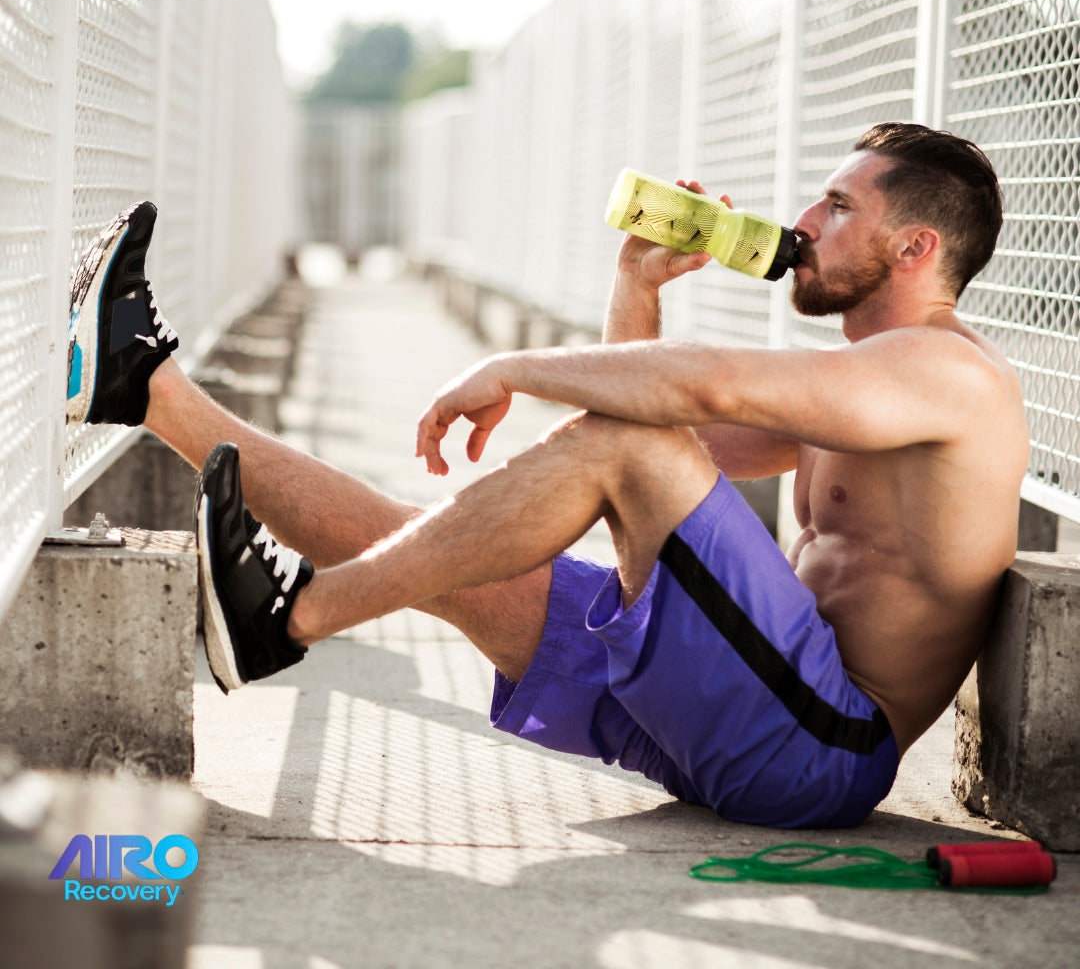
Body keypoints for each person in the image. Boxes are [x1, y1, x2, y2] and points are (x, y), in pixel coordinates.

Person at [65, 122, 1028, 828]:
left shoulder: (946, 375)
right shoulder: (865, 386)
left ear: (916, 247)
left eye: (840, 205)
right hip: (748, 699)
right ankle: (144, 389)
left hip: (820, 748)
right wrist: (636, 288)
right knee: (427, 546)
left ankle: (296, 618)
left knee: (618, 458)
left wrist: (512, 369)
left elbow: (694, 397)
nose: (805, 220)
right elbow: (643, 428)